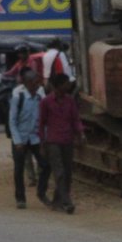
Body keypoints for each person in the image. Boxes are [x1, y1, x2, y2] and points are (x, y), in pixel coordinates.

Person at [39, 72, 85, 213]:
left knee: (68, 172)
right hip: (53, 141)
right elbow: (41, 123)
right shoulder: (46, 102)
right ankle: (67, 202)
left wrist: (80, 134)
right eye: (66, 83)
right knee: (59, 172)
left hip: (67, 140)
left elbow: (75, 119)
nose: (69, 85)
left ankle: (57, 200)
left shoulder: (70, 101)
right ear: (59, 86)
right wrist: (42, 143)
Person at [9, 67, 49, 209]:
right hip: (20, 138)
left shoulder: (40, 96)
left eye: (37, 81)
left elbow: (44, 119)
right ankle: (20, 198)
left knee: (45, 165)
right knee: (19, 169)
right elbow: (12, 121)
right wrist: (18, 141)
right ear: (26, 83)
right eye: (33, 82)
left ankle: (41, 192)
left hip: (35, 138)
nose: (36, 84)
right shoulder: (17, 97)